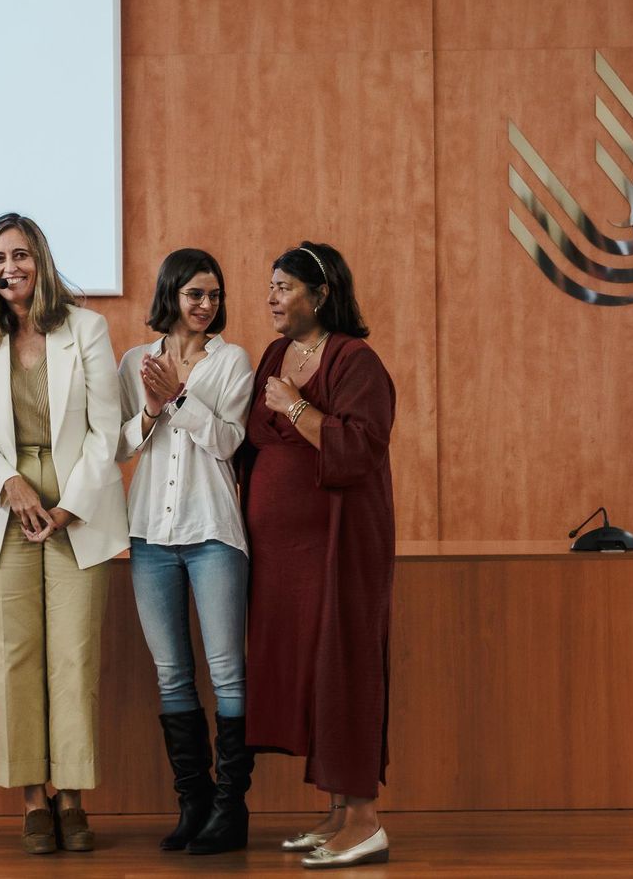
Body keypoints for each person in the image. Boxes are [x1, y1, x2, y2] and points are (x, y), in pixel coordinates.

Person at [0, 212, 127, 855]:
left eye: (20, 255)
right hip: (4, 502)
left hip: (79, 499)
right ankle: (33, 799)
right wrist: (12, 486)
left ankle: (72, 798)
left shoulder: (87, 327)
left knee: (74, 654)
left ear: (41, 261)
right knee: (12, 655)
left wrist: (71, 504)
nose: (10, 268)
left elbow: (107, 431)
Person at [240, 241, 395, 869]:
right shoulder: (275, 354)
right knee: (311, 673)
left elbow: (361, 447)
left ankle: (365, 821)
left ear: (322, 293)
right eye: (271, 286)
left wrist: (297, 406)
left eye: (284, 287)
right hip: (282, 557)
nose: (272, 298)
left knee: (344, 667)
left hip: (338, 546)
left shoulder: (357, 361)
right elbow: (253, 439)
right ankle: (337, 814)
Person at [116, 248, 255, 854]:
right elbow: (119, 446)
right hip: (150, 534)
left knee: (227, 673)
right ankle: (193, 804)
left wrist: (177, 398)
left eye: (214, 295)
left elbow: (228, 442)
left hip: (214, 533)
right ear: (171, 294)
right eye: (195, 294)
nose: (205, 305)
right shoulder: (134, 361)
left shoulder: (232, 361)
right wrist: (150, 410)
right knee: (171, 673)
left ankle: (230, 809)